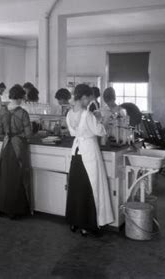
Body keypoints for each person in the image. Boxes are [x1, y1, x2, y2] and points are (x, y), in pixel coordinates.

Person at [65, 84, 113, 236]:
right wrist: (104, 120)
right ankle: (87, 225)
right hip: (89, 152)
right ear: (84, 97)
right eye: (89, 99)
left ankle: (74, 222)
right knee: (90, 188)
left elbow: (73, 133)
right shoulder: (87, 114)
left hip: (76, 152)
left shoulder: (69, 114)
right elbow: (100, 132)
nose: (89, 102)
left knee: (76, 188)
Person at [0, 84, 32, 219]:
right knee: (18, 177)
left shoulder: (2, 111)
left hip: (6, 145)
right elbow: (28, 134)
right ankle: (15, 210)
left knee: (4, 177)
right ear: (21, 97)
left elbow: (0, 132)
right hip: (18, 145)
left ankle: (3, 208)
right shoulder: (23, 113)